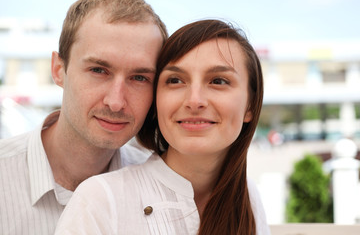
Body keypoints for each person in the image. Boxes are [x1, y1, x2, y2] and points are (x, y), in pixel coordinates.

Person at [55, 19, 270, 235]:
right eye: (175, 80)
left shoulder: (248, 197)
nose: (194, 101)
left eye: (219, 81)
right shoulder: (100, 200)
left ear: (250, 104)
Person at [0, 0, 167, 234]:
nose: (116, 102)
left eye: (139, 78)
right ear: (58, 70)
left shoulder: (162, 188)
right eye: (98, 70)